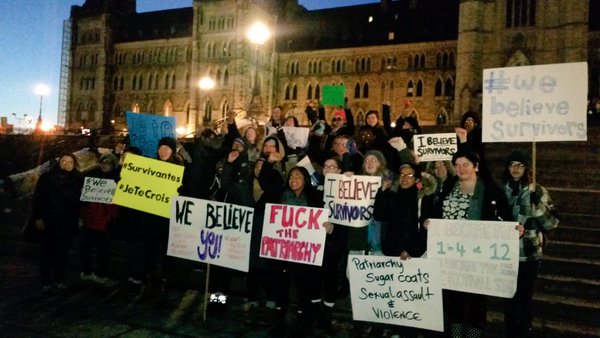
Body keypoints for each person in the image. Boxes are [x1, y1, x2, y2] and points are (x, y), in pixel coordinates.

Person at [422, 149, 514, 338]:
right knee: (451, 298)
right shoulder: (448, 186)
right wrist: (429, 222)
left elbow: (506, 220)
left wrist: (515, 231)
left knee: (475, 300)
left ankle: (473, 335)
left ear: (476, 167)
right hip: (449, 254)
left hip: (476, 257)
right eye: (457, 165)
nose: (461, 168)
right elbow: (435, 211)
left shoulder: (490, 192)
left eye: (465, 164)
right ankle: (456, 334)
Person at [269, 166, 332, 337]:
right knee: (281, 288)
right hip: (283, 253)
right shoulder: (280, 197)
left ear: (305, 180)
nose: (293, 179)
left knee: (304, 289)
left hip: (304, 254)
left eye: (298, 176)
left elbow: (324, 218)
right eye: (291, 176)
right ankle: (279, 321)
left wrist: (328, 225)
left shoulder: (314, 198)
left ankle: (304, 323)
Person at [501, 150, 558, 338]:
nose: (515, 168)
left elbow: (551, 223)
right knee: (509, 298)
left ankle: (524, 331)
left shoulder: (537, 190)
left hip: (528, 252)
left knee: (524, 298)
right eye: (512, 164)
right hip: (505, 253)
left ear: (526, 168)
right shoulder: (502, 189)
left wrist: (538, 209)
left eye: (520, 165)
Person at [31, 153, 82, 292]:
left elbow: (81, 201)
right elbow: (38, 199)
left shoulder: (78, 179)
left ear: (74, 163)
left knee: (63, 253)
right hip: (50, 221)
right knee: (47, 252)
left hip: (68, 222)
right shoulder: (47, 178)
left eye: (70, 162)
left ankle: (59, 279)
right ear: (59, 163)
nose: (67, 164)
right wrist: (38, 217)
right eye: (64, 162)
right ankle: (46, 282)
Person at [79, 153, 120, 285]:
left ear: (113, 165)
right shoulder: (91, 177)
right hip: (90, 220)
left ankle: (101, 274)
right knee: (86, 249)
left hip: (105, 222)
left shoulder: (118, 181)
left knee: (103, 251)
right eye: (103, 162)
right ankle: (87, 272)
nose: (105, 165)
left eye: (108, 163)